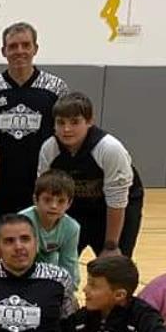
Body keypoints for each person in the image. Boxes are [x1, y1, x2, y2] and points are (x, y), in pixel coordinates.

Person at [0, 22, 68, 230]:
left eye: (26, 45)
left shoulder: (56, 88)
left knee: (39, 241)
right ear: (3, 51)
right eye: (13, 46)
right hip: (1, 186)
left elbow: (66, 138)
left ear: (35, 48)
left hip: (43, 184)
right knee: (3, 242)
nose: (20, 51)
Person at [38, 91, 143, 258]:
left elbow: (117, 200)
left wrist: (111, 246)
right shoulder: (49, 149)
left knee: (113, 264)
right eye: (61, 122)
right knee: (56, 260)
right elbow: (44, 193)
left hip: (115, 207)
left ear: (89, 121)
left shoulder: (109, 149)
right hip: (75, 206)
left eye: (74, 122)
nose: (66, 129)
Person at [19, 171, 81, 287]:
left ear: (69, 203)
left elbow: (69, 265)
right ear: (36, 200)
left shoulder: (72, 228)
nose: (54, 206)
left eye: (61, 201)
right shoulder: (22, 221)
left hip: (49, 270)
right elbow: (16, 260)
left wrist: (68, 291)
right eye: (47, 200)